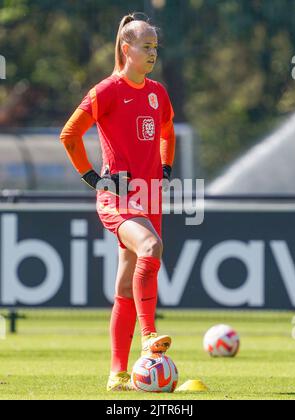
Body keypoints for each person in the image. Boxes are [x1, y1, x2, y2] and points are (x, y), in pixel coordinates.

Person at [60, 13, 176, 392]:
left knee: (126, 286)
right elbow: (69, 135)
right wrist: (94, 179)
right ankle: (149, 335)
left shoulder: (158, 92)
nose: (152, 53)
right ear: (126, 49)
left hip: (150, 196)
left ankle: (117, 374)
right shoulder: (107, 90)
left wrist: (166, 167)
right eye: (146, 46)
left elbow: (167, 130)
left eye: (155, 47)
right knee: (152, 246)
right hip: (118, 197)